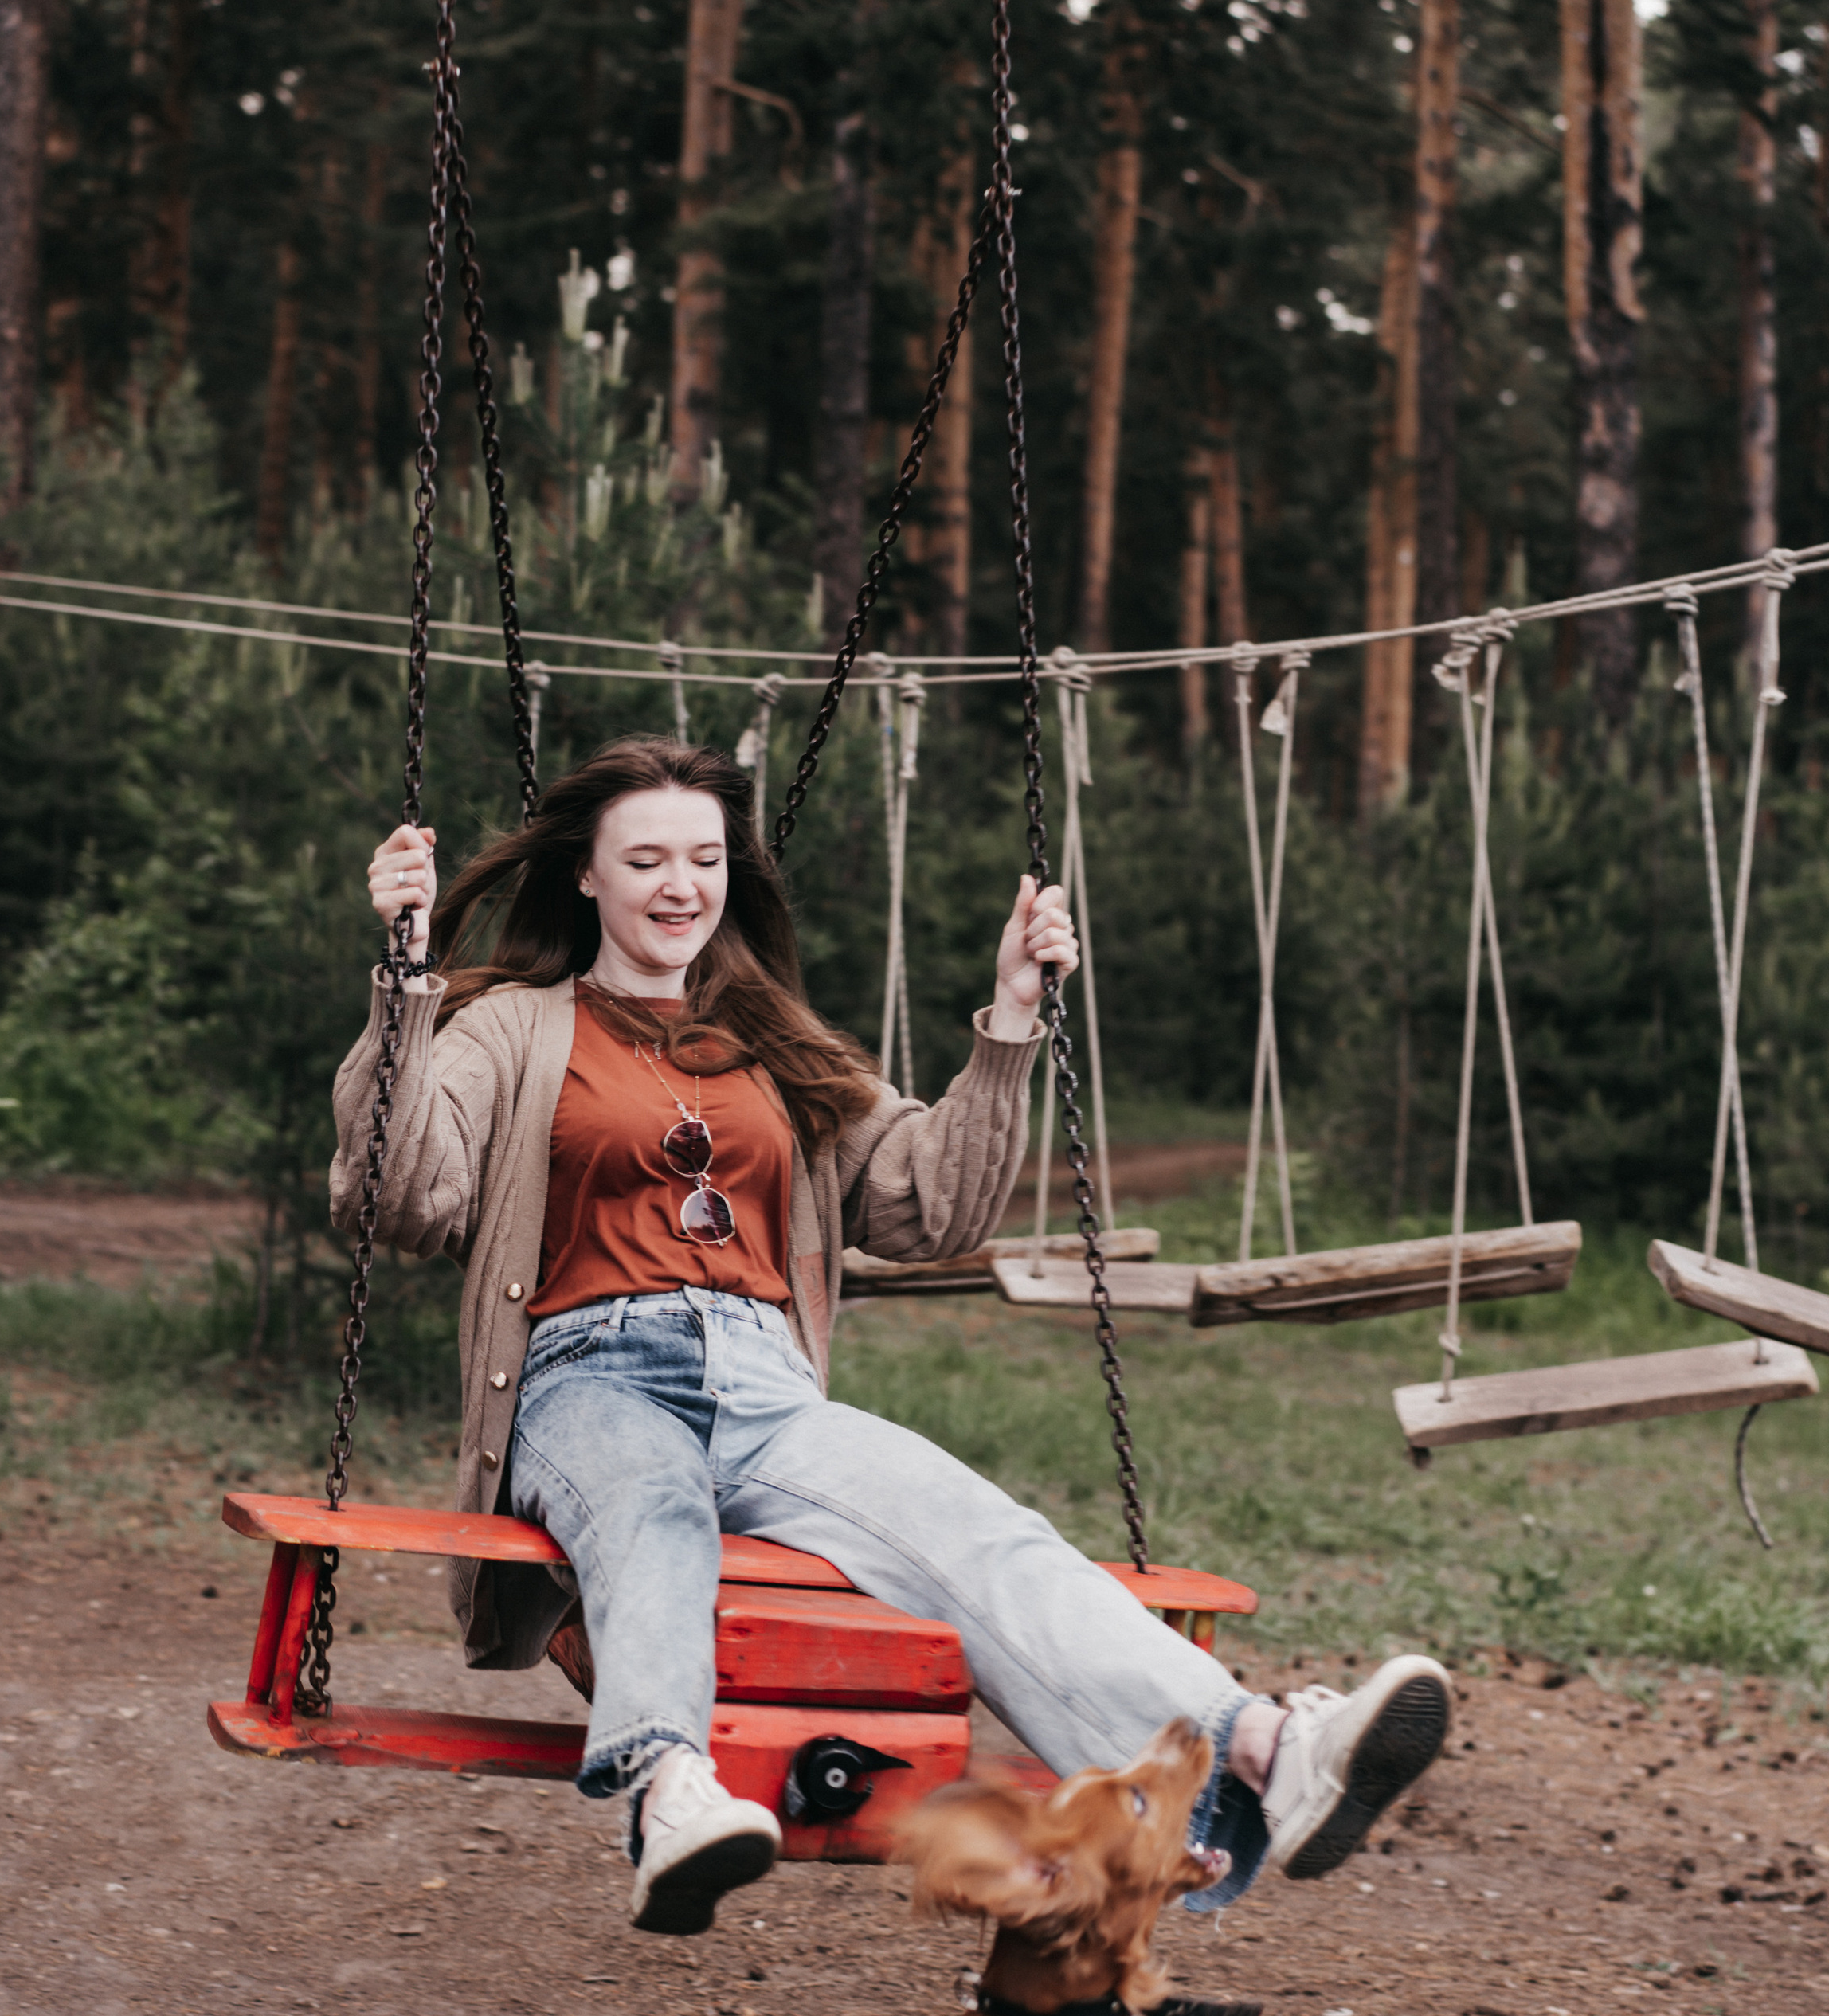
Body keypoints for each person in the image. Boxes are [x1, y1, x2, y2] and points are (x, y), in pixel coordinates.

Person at [334, 737, 1450, 1936]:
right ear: (586, 879)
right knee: (651, 1513)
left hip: (766, 1386)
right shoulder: (509, 1030)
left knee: (985, 1534)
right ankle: (671, 1793)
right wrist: (405, 981)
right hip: (584, 1372)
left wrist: (1012, 1016)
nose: (680, 885)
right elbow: (402, 1200)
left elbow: (931, 1205)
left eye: (704, 858)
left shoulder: (773, 1037)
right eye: (646, 858)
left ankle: (1267, 1750)